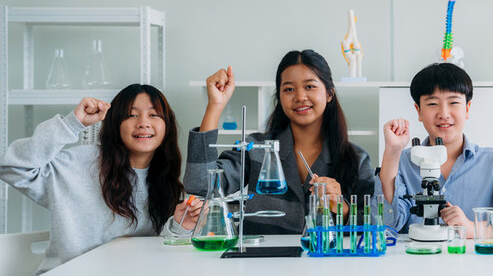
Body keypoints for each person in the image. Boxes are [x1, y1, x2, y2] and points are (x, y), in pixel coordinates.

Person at [0, 84, 198, 274]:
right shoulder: (79, 164)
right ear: (115, 123)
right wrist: (72, 123)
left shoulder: (167, 181)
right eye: (131, 115)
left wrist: (179, 226)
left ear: (167, 126)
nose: (143, 123)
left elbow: (157, 254)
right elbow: (12, 167)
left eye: (154, 114)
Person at [184, 50, 376, 234]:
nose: (300, 97)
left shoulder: (356, 159)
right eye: (289, 89)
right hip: (263, 264)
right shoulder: (256, 148)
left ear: (329, 94)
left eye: (310, 86)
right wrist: (215, 106)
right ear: (279, 97)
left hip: (325, 263)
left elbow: (373, 223)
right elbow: (200, 183)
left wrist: (342, 208)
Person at [378, 62, 493, 238]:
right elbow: (387, 225)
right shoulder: (402, 162)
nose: (444, 113)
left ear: (467, 109)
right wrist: (392, 152)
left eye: (453, 102)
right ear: (418, 111)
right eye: (433, 103)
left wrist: (473, 228)